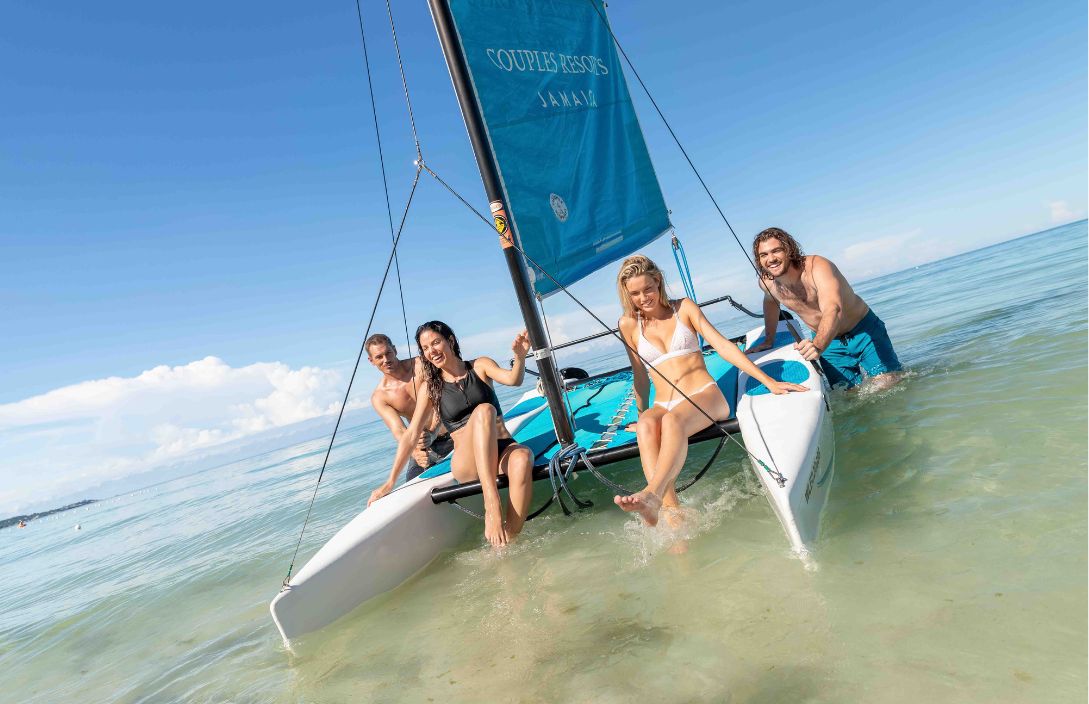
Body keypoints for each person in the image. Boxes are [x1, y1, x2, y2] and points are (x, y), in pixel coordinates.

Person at [613, 255, 808, 527]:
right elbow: (639, 375)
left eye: (648, 288)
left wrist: (768, 381)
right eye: (634, 293)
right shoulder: (628, 325)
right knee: (647, 425)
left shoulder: (683, 309)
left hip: (703, 395)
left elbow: (722, 346)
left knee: (672, 421)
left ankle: (652, 496)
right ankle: (672, 514)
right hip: (662, 403)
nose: (643, 297)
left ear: (657, 281)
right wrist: (641, 413)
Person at [368, 321, 534, 548]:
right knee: (485, 410)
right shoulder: (431, 388)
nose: (432, 351)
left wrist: (521, 357)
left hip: (502, 446)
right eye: (425, 348)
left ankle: (507, 541)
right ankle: (491, 502)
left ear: (450, 341)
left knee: (523, 457)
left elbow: (514, 380)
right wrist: (389, 483)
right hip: (468, 463)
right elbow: (410, 434)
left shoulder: (481, 365)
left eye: (436, 342)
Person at [747, 227, 903, 389]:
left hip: (863, 332)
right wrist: (768, 339)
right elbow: (770, 302)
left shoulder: (817, 267)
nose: (770, 259)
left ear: (789, 250)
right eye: (763, 255)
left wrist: (818, 345)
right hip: (830, 347)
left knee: (889, 385)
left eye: (776, 251)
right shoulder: (767, 283)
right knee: (848, 395)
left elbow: (832, 308)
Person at [366, 333, 453, 482]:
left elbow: (444, 397)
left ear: (395, 350)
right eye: (379, 357)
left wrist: (433, 431)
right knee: (413, 483)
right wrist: (415, 452)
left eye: (388, 353)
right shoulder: (380, 397)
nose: (386, 360)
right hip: (426, 447)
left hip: (454, 430)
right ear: (371, 361)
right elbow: (399, 431)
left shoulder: (421, 365)